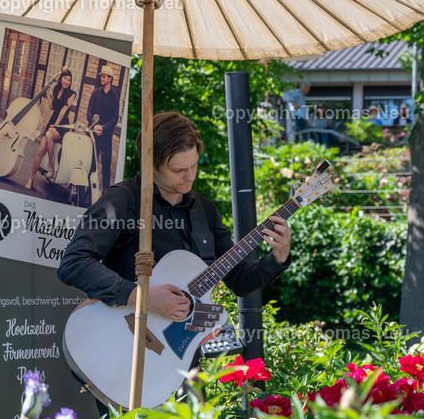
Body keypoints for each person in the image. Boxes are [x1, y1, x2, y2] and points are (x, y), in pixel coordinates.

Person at [58, 112, 292, 371]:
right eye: (179, 169)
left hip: (182, 362)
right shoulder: (122, 202)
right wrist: (142, 296)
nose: (190, 176)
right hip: (121, 351)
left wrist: (277, 257)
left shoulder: (206, 210)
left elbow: (239, 281)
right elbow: (74, 263)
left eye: (194, 165)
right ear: (152, 164)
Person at [25, 69, 76, 190]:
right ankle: (30, 178)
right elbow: (52, 107)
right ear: (60, 79)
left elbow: (63, 111)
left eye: (69, 80)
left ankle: (50, 166)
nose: (67, 82)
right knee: (40, 151)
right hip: (53, 120)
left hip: (62, 124)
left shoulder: (72, 94)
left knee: (48, 135)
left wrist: (55, 126)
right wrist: (48, 93)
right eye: (65, 78)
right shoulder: (56, 90)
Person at [87, 65, 121, 192]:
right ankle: (86, 191)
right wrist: (95, 125)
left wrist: (103, 128)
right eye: (101, 76)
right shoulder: (95, 92)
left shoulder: (115, 97)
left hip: (106, 137)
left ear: (110, 79)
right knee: (91, 163)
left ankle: (106, 194)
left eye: (104, 76)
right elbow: (89, 111)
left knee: (106, 166)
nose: (102, 78)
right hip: (93, 134)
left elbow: (115, 118)